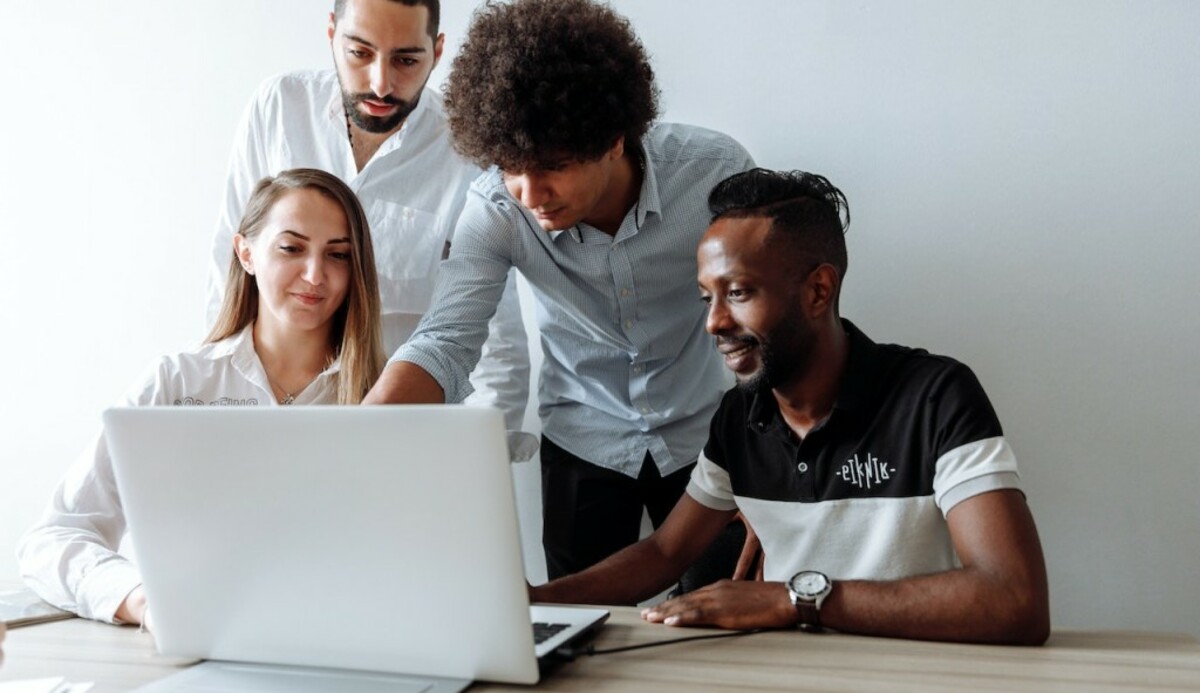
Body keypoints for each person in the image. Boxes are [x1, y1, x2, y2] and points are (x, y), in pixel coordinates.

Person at [531, 169, 1051, 645]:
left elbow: (1015, 600)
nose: (713, 322)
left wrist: (792, 599)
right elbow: (664, 554)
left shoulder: (936, 396)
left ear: (819, 290)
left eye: (737, 293)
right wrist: (529, 603)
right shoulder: (738, 418)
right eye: (705, 298)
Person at [364, 0, 756, 588]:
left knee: (721, 631)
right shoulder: (496, 207)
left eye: (554, 165)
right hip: (583, 441)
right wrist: (355, 444)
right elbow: (446, 339)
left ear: (614, 139)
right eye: (510, 166)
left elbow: (769, 322)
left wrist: (776, 464)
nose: (529, 191)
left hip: (710, 436)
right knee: (581, 638)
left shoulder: (714, 172)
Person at [18, 169, 386, 627]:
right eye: (291, 248)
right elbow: (52, 538)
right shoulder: (176, 383)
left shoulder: (385, 396)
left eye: (339, 255)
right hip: (192, 641)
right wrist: (142, 602)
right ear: (245, 253)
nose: (315, 274)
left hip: (343, 636)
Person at [208, 0, 533, 455]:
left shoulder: (466, 149)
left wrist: (478, 460)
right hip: (274, 429)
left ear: (437, 51)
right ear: (331, 34)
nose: (382, 83)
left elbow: (495, 327)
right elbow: (230, 269)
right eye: (360, 53)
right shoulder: (279, 108)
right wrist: (215, 410)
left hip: (405, 444)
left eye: (406, 59)